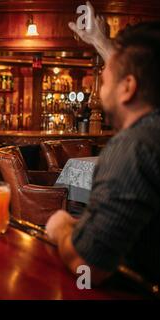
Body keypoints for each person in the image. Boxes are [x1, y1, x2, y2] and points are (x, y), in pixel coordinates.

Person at [46, 1, 160, 285]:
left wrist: (60, 229)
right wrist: (99, 40)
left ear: (127, 87)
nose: (100, 83)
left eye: (105, 78)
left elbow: (89, 268)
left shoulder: (132, 148)